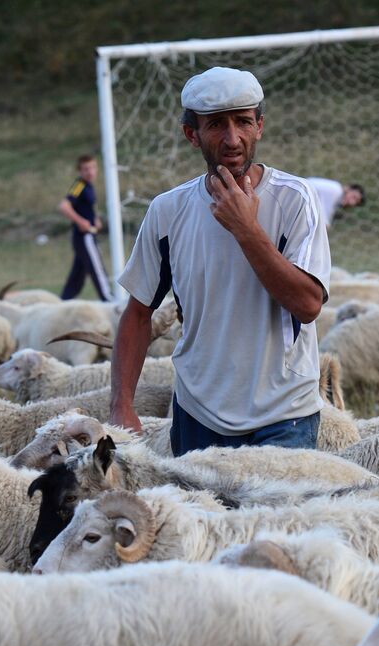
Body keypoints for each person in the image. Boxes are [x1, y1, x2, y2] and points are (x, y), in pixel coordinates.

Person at [109, 67, 331, 456]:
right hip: (198, 416)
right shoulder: (167, 210)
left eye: (244, 122)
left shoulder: (296, 199)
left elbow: (308, 305)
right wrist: (121, 405)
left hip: (283, 416)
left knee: (282, 520)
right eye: (216, 125)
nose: (233, 139)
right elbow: (138, 313)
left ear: (260, 126)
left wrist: (246, 229)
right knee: (200, 519)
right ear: (191, 135)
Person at [58, 154, 112, 301]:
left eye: (93, 167)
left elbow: (85, 207)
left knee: (77, 277)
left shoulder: (89, 186)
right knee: (97, 270)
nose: (90, 172)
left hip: (87, 236)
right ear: (80, 171)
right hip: (84, 237)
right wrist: (81, 222)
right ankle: (109, 299)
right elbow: (64, 206)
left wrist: (95, 219)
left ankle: (63, 301)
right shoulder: (79, 185)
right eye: (86, 169)